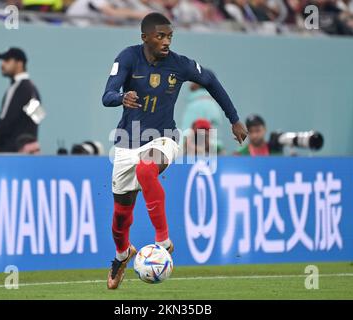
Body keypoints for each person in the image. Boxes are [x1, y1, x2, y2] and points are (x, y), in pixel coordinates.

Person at [102, 12, 247, 289]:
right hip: (126, 142)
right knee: (120, 219)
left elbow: (211, 80)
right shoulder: (128, 58)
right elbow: (107, 96)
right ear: (145, 38)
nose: (166, 41)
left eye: (169, 36)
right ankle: (122, 255)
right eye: (160, 36)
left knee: (147, 169)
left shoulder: (179, 65)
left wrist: (234, 119)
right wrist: (122, 97)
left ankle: (163, 240)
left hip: (164, 138)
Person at [0, 47, 41, 153]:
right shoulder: (31, 88)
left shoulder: (19, 88)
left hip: (11, 153)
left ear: (19, 63)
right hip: (19, 153)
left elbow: (5, 121)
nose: (2, 65)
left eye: (7, 61)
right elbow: (37, 118)